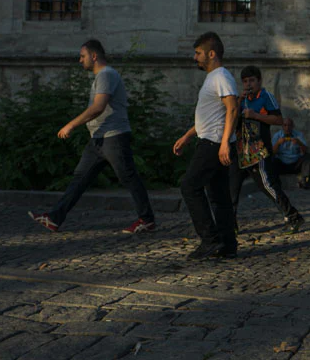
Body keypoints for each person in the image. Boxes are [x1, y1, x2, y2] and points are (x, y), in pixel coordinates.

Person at [28, 40, 156, 234]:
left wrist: (71, 124)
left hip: (113, 137)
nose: (80, 60)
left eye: (83, 56)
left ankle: (147, 220)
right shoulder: (102, 76)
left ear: (94, 56)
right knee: (80, 178)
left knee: (128, 177)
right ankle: (54, 218)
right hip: (98, 138)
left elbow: (98, 107)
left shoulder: (106, 74)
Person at [173, 32, 239, 260]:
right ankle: (228, 245)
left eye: (198, 53)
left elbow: (232, 109)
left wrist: (223, 145)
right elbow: (211, 116)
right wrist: (188, 135)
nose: (195, 57)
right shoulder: (213, 78)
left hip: (213, 144)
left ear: (211, 54)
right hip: (210, 140)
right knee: (219, 196)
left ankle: (210, 240)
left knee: (189, 186)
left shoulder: (221, 76)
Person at [227, 66, 304, 234]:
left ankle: (292, 215)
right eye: (245, 81)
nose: (249, 84)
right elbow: (230, 121)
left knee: (268, 185)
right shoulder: (240, 100)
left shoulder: (266, 97)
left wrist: (255, 115)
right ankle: (230, 225)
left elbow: (278, 119)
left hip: (258, 151)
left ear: (259, 81)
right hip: (239, 151)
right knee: (231, 188)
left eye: (252, 80)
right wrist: (238, 103)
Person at [270, 118, 310, 189]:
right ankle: (274, 182)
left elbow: (305, 150)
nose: (287, 128)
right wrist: (278, 143)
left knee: (308, 156)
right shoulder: (277, 136)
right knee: (271, 159)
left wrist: (299, 143)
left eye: (289, 125)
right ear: (282, 126)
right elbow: (272, 152)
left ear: (293, 126)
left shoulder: (298, 135)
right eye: (285, 125)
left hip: (295, 164)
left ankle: (304, 180)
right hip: (282, 164)